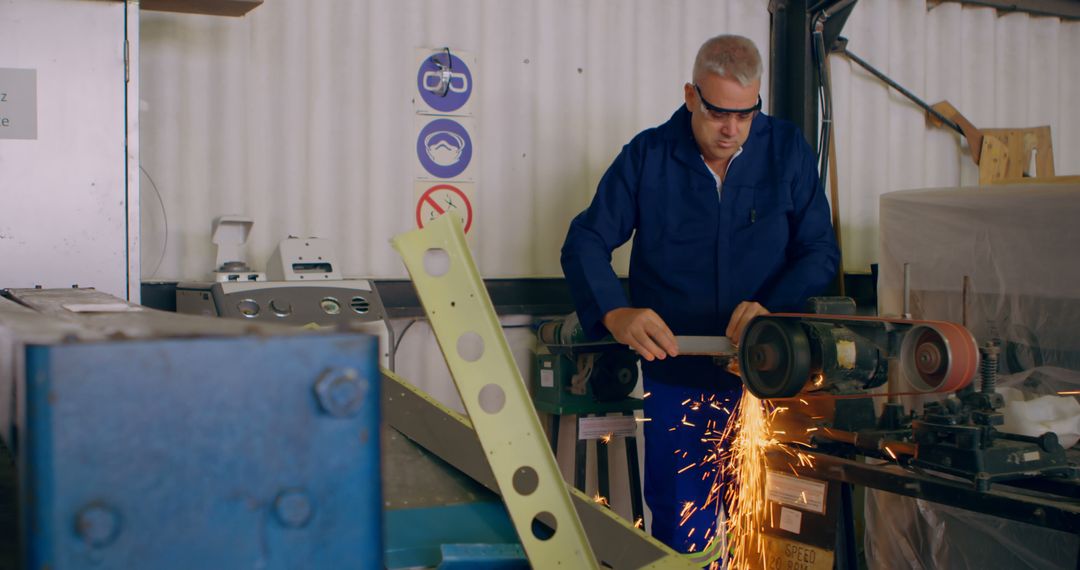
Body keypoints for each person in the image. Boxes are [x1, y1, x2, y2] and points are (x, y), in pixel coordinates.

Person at [560, 34, 839, 554]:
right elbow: (586, 240)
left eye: (746, 114)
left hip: (768, 374)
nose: (731, 129)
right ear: (691, 96)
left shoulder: (786, 152)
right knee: (683, 527)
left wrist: (770, 306)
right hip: (677, 377)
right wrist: (615, 311)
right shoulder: (648, 156)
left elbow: (821, 251)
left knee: (772, 527)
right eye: (716, 114)